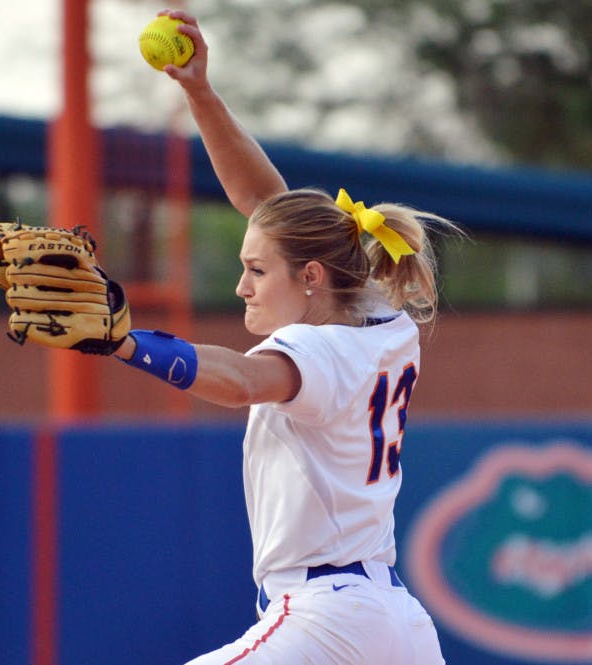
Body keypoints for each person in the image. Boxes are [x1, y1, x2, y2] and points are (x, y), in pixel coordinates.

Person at [110, 10, 452, 664]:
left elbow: (240, 381)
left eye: (255, 271)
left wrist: (128, 342)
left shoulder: (320, 350)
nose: (242, 286)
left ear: (312, 277)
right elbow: (274, 208)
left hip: (326, 620)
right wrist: (200, 94)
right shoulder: (379, 313)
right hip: (394, 622)